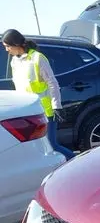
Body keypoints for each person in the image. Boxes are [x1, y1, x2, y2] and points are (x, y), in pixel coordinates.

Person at [2, 29, 74, 159]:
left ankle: (78, 164)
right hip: (28, 114)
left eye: (7, 46)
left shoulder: (37, 58)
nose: (6, 50)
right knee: (36, 151)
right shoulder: (15, 62)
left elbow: (52, 83)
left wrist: (56, 106)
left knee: (52, 146)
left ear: (16, 44)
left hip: (45, 111)